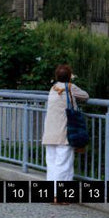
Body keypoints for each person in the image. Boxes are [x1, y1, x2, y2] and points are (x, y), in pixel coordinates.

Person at [41, 63, 88, 204]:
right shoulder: (70, 88)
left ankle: (52, 194)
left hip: (49, 133)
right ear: (69, 77)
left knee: (52, 164)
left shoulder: (52, 89)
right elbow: (85, 96)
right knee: (64, 165)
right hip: (64, 133)